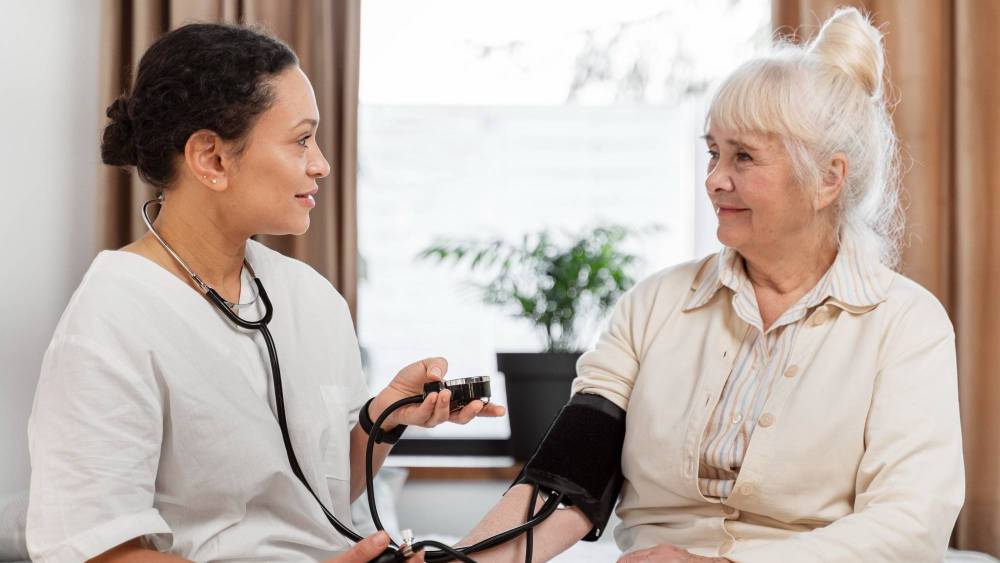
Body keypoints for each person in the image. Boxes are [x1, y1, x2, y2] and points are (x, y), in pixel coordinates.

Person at [459, 8, 964, 562]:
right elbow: (567, 483)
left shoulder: (905, 323)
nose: (714, 179)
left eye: (743, 156)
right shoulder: (653, 306)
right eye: (713, 152)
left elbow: (910, 523)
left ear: (827, 179)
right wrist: (461, 561)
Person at [25, 23, 504, 563]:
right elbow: (95, 552)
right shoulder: (112, 318)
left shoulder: (310, 298)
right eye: (302, 139)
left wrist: (382, 419)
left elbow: (315, 498)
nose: (321, 163)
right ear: (212, 159)